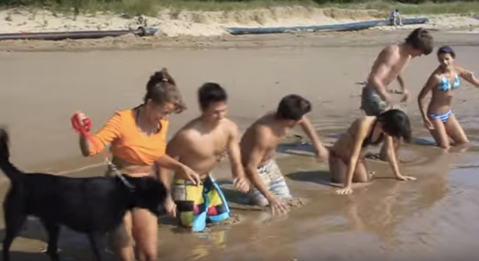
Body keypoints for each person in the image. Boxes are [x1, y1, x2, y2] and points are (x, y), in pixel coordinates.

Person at [74, 68, 201, 261]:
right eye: (164, 112)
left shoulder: (161, 124)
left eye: (170, 113)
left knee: (149, 254)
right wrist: (84, 133)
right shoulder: (122, 120)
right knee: (125, 250)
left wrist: (180, 167)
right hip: (117, 188)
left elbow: (156, 155)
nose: (166, 118)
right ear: (149, 104)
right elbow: (89, 150)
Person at [159, 82, 250, 232]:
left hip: (206, 180)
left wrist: (240, 177)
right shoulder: (188, 135)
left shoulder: (230, 128)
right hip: (186, 184)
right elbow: (162, 162)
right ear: (203, 109)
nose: (221, 116)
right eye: (215, 112)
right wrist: (167, 198)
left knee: (221, 218)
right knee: (193, 230)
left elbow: (235, 159)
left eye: (224, 110)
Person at [239, 94, 329, 215]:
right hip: (252, 170)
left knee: (285, 201)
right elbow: (250, 168)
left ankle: (256, 192)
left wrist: (318, 145)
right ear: (291, 121)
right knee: (264, 206)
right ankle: (246, 193)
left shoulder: (283, 117)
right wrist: (271, 198)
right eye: (299, 118)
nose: (302, 119)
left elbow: (304, 121)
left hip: (270, 165)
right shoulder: (264, 134)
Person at [360, 27, 433, 160]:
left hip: (382, 91)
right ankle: (376, 153)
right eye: (420, 52)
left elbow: (396, 71)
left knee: (397, 127)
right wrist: (385, 96)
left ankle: (384, 155)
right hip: (373, 94)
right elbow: (374, 78)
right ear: (413, 45)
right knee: (394, 125)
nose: (420, 55)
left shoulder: (408, 56)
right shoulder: (393, 52)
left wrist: (404, 88)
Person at [329, 109, 416, 195]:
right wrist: (347, 186)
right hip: (339, 155)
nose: (391, 134)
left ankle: (361, 173)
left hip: (358, 158)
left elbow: (389, 151)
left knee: (363, 182)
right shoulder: (364, 124)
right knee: (340, 182)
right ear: (387, 123)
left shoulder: (386, 129)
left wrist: (398, 175)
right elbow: (353, 156)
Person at [417, 45, 479, 149]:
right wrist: (425, 118)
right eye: (441, 60)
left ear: (453, 58)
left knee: (463, 143)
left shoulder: (457, 70)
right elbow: (421, 97)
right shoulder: (436, 77)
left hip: (448, 114)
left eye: (447, 59)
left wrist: (472, 78)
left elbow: (476, 84)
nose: (445, 62)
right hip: (434, 115)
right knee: (445, 146)